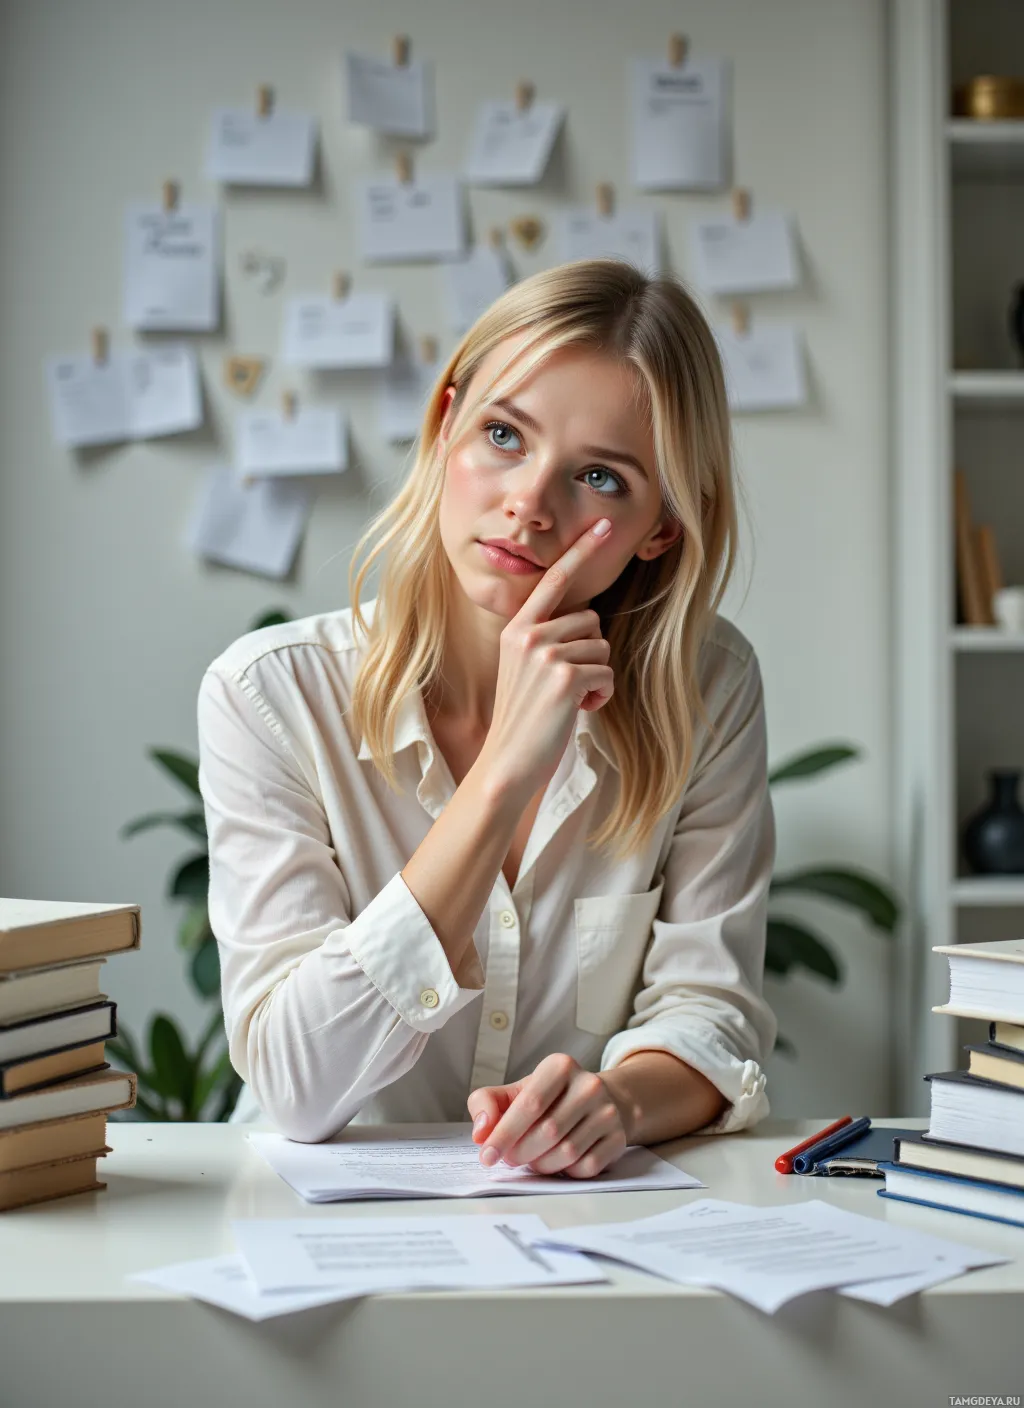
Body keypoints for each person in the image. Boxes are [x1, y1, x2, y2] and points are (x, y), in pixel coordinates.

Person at [196, 257, 777, 1178]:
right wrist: (506, 770)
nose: (530, 504)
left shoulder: (707, 688)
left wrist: (614, 1104)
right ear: (444, 425)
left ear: (661, 527)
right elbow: (295, 1085)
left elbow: (713, 1012)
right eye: (504, 434)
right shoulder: (271, 694)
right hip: (306, 1226)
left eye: (600, 477)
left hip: (575, 1219)